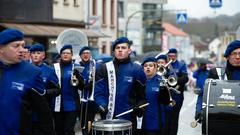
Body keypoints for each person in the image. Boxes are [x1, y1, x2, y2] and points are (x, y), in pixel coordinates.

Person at [0, 28, 54, 135]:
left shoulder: (32, 72)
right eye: (16, 46)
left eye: (23, 45)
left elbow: (43, 113)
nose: (22, 50)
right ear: (1, 48)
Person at [94, 37, 147, 135]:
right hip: (108, 119)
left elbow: (142, 96)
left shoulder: (137, 69)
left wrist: (140, 107)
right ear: (114, 51)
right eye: (117, 48)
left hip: (128, 119)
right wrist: (101, 105)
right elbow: (98, 92)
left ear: (129, 50)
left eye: (123, 48)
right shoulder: (104, 68)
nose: (120, 50)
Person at [52, 44, 84, 135]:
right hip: (57, 105)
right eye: (63, 53)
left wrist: (78, 77)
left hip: (71, 105)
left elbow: (82, 86)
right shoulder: (54, 67)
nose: (65, 55)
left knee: (69, 131)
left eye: (68, 53)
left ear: (71, 55)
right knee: (58, 131)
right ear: (60, 54)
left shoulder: (76, 67)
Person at [163, 48, 189, 135]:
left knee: (174, 118)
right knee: (165, 117)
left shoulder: (181, 65)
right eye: (169, 56)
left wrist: (175, 80)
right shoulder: (164, 64)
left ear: (176, 56)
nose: (171, 58)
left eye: (173, 56)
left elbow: (185, 78)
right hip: (166, 94)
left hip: (177, 94)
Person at [141, 57, 170, 135]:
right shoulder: (139, 81)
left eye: (150, 65)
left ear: (156, 68)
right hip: (141, 121)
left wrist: (164, 90)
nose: (147, 67)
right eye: (145, 65)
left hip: (155, 121)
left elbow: (166, 102)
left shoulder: (161, 81)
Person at [78, 46, 100, 135]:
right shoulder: (77, 66)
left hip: (93, 98)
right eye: (83, 53)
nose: (86, 55)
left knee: (91, 121)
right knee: (83, 122)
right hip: (81, 98)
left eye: (87, 53)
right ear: (80, 55)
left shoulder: (95, 65)